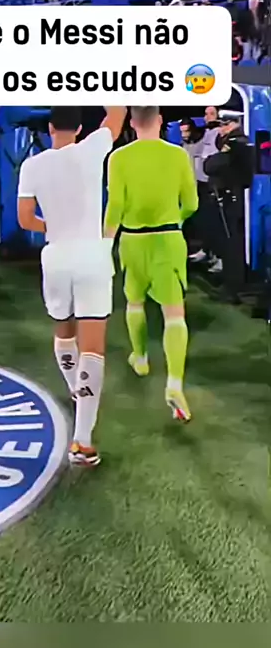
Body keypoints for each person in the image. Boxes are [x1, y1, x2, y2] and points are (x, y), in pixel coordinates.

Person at [17, 106, 127, 467]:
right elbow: (118, 112)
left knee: (64, 331)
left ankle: (75, 389)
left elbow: (25, 219)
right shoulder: (92, 148)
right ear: (79, 128)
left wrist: (53, 227)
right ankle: (82, 441)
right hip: (91, 256)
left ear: (50, 128)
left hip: (56, 255)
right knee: (92, 347)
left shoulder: (32, 165)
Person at [104, 106, 198, 422]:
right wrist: (175, 222)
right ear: (159, 121)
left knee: (134, 302)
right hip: (168, 239)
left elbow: (115, 205)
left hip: (132, 240)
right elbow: (192, 203)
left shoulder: (119, 157)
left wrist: (105, 244)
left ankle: (141, 358)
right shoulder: (178, 155)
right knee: (174, 315)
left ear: (132, 123)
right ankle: (174, 384)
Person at [203, 111, 255, 303]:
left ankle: (233, 288)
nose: (220, 129)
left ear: (234, 123)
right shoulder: (235, 142)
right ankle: (232, 283)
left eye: (224, 124)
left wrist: (213, 159)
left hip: (232, 197)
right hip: (231, 196)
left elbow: (211, 165)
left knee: (232, 244)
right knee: (230, 242)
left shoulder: (236, 143)